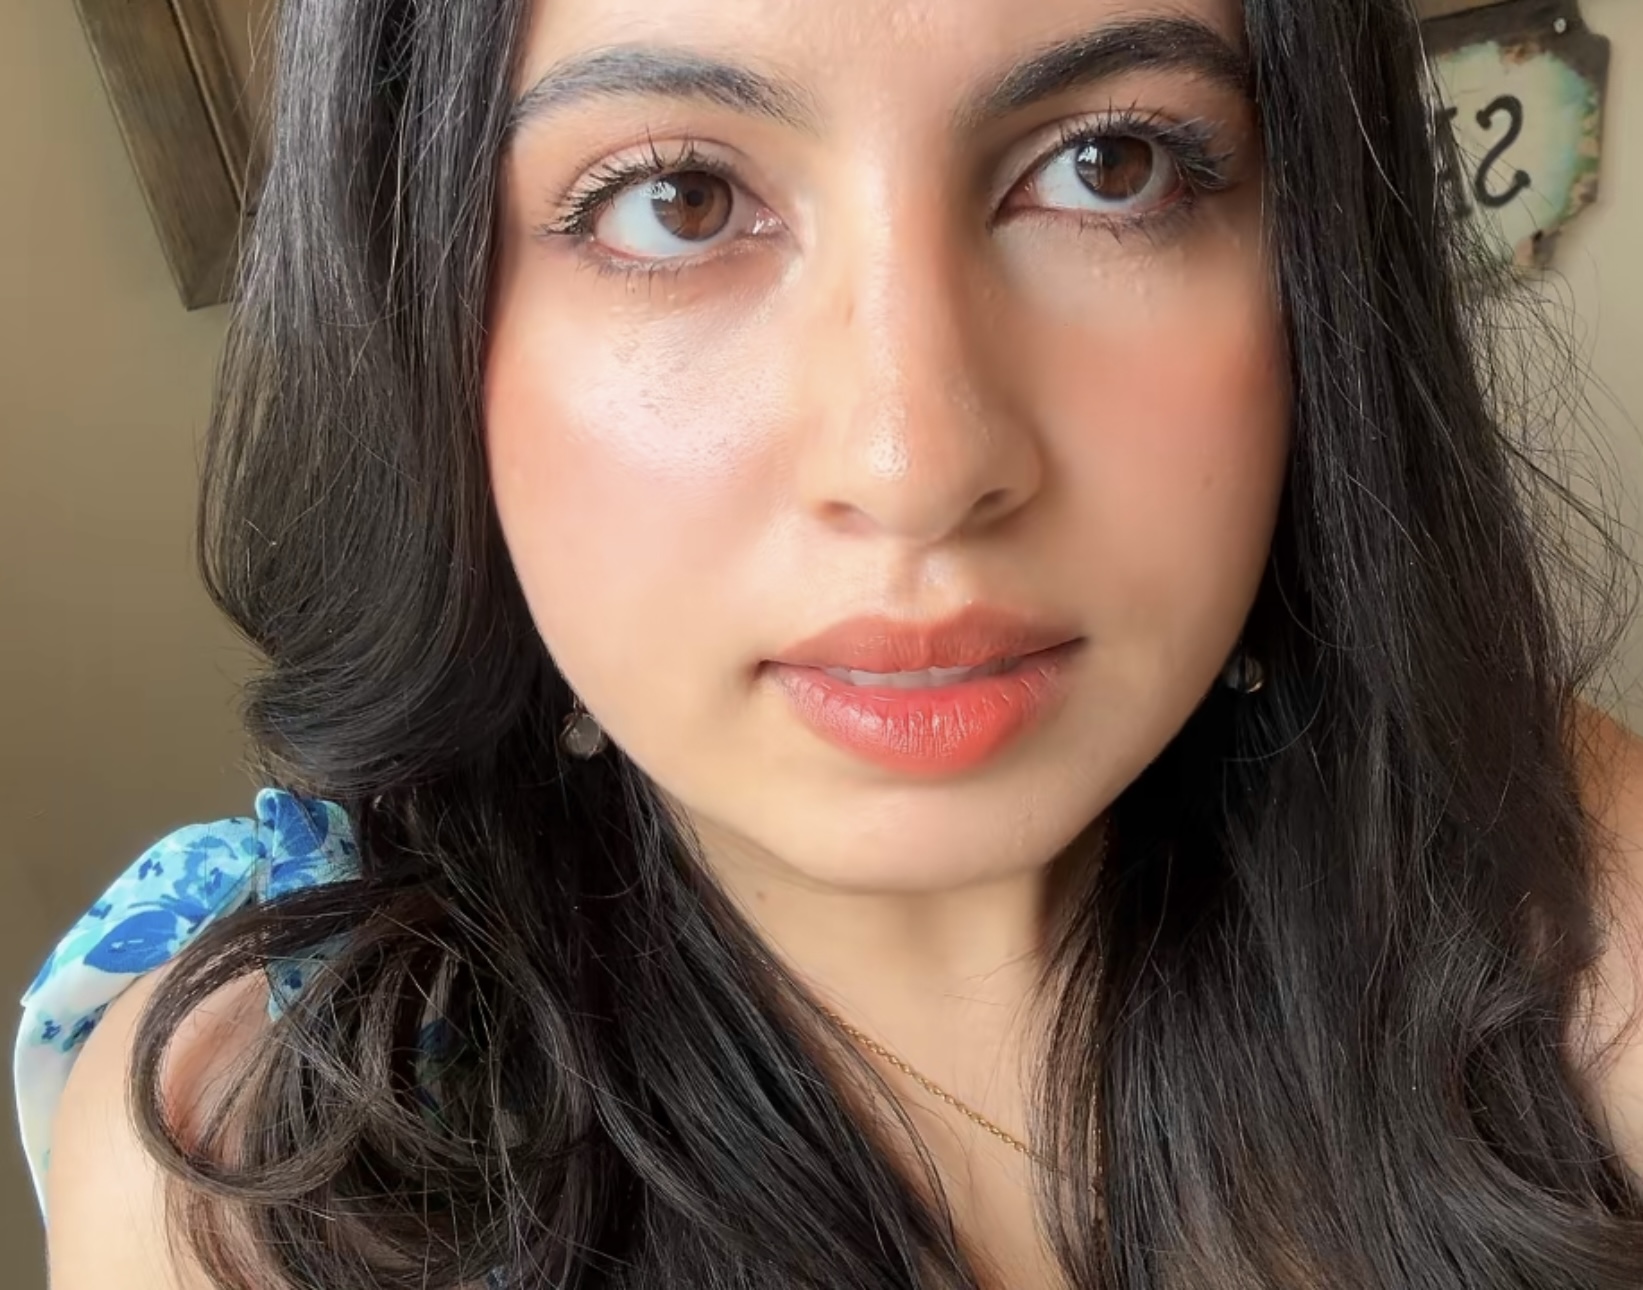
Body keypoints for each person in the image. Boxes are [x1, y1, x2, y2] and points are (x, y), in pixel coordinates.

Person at [18, 0, 1643, 1284]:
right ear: (422, 317)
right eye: (679, 196)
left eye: (1113, 165)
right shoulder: (263, 1158)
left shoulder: (1544, 880)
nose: (917, 458)